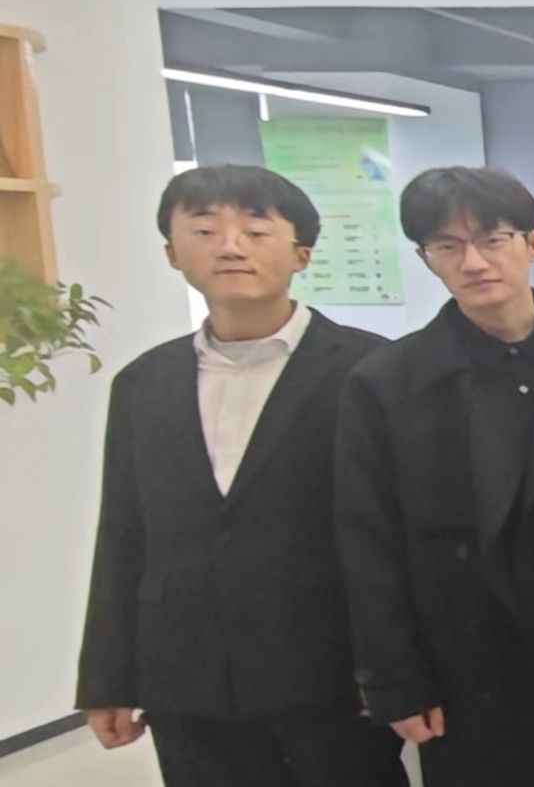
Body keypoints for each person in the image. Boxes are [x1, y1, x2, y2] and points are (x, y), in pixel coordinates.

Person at [76, 165, 404, 787]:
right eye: (204, 231)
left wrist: (398, 671)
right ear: (172, 253)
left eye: (255, 232)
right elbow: (121, 533)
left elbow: (397, 533)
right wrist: (107, 678)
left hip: (329, 672)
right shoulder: (144, 382)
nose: (230, 247)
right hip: (187, 675)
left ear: (301, 254)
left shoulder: (373, 370)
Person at [333, 166, 534, 786]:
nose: (473, 262)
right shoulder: (388, 382)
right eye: (448, 246)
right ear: (425, 257)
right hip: (464, 666)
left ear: (533, 244)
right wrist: (394, 679)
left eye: (493, 240)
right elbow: (368, 543)